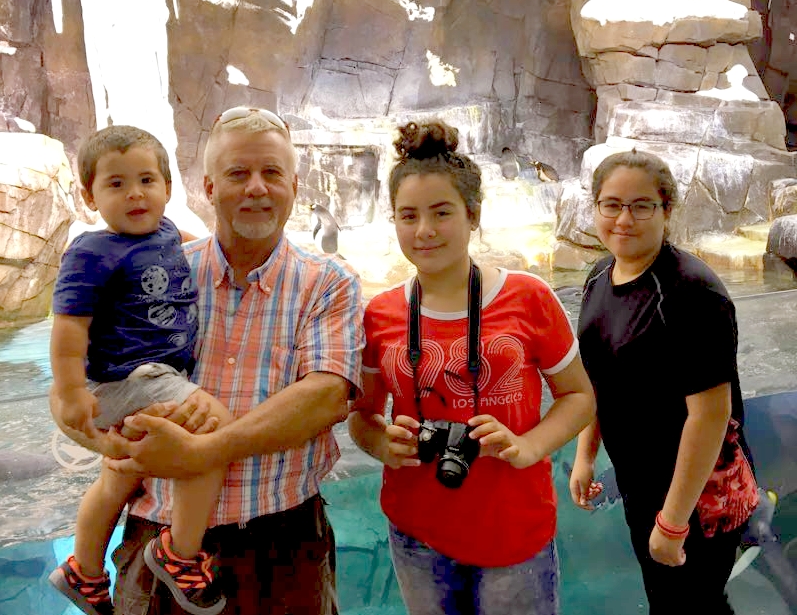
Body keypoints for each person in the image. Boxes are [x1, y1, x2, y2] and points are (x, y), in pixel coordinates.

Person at [65, 106, 364, 615]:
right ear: (208, 186)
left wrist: (204, 451)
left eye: (272, 173)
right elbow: (86, 379)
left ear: (294, 185)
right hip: (154, 528)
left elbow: (326, 398)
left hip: (286, 540)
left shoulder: (329, 283)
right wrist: (101, 437)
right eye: (238, 173)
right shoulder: (158, 272)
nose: (256, 187)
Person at [348, 121, 596, 615]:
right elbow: (363, 416)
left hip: (513, 529)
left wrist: (529, 446)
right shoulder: (381, 313)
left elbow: (580, 397)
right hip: (417, 532)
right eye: (408, 215)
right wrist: (382, 443)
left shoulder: (528, 296)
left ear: (473, 214)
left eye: (442, 212)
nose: (424, 230)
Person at [48, 125, 232, 615]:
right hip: (126, 376)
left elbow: (189, 247)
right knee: (214, 429)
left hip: (153, 375)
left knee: (119, 473)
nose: (135, 193)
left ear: (168, 188)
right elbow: (68, 329)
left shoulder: (167, 231)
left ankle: (83, 571)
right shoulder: (90, 253)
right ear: (90, 197)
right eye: (116, 183)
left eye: (146, 180)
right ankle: (179, 553)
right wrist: (71, 392)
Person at [568, 149, 758, 614]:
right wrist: (585, 455)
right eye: (612, 204)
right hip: (642, 484)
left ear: (666, 210)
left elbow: (710, 416)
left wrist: (673, 522)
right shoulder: (599, 276)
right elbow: (597, 377)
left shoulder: (692, 292)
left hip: (697, 497)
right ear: (595, 208)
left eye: (641, 206)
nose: (624, 219)